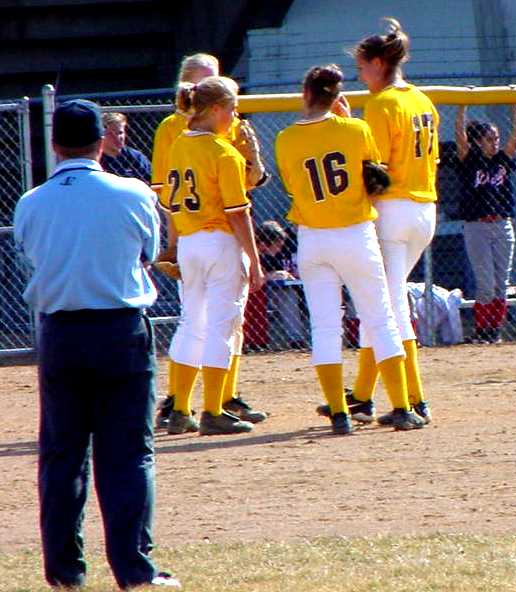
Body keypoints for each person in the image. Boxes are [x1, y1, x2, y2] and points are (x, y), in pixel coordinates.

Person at [14, 100, 179, 589]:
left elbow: (31, 257)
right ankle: (134, 570)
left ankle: (65, 571)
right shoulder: (132, 192)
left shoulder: (32, 201)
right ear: (100, 142)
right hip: (120, 329)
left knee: (63, 455)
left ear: (55, 145)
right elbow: (151, 252)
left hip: (61, 332)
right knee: (127, 454)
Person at [275, 64, 423, 433]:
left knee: (325, 326)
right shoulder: (356, 129)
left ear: (306, 94)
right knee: (380, 319)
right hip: (355, 233)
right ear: (337, 97)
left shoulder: (285, 139)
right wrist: (347, 119)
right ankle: (401, 407)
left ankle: (340, 414)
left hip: (312, 237)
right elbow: (374, 175)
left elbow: (293, 186)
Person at [152, 53, 268, 429]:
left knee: (191, 324)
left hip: (189, 242)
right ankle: (214, 411)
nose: (234, 117)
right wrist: (255, 259)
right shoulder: (223, 151)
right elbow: (238, 212)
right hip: (220, 243)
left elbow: (168, 198)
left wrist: (174, 240)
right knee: (222, 326)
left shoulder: (179, 143)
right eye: (231, 110)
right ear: (216, 109)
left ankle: (180, 409)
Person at [345, 18, 439, 426]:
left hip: (394, 212)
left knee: (390, 309)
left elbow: (375, 171)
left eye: (363, 67)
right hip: (424, 209)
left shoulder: (382, 104)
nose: (360, 75)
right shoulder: (421, 99)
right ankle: (362, 396)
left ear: (380, 63)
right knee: (380, 303)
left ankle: (414, 400)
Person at [455, 104, 516, 343]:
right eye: (489, 139)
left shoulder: (502, 160)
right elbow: (460, 136)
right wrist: (462, 106)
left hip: (502, 225)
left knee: (501, 284)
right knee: (486, 283)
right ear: (478, 141)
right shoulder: (470, 160)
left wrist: (514, 105)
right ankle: (482, 330)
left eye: (496, 139)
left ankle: (494, 331)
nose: (495, 143)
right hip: (477, 227)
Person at [245, 220, 307, 350]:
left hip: (272, 295)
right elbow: (249, 278)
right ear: (263, 243)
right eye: (277, 244)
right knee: (286, 293)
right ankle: (294, 339)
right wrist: (268, 276)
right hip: (254, 297)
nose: (280, 248)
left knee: (288, 291)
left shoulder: (273, 256)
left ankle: (297, 340)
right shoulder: (249, 254)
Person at [99, 112, 152, 183]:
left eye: (120, 133)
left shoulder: (136, 157)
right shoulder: (95, 158)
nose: (117, 137)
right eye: (110, 134)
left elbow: (150, 182)